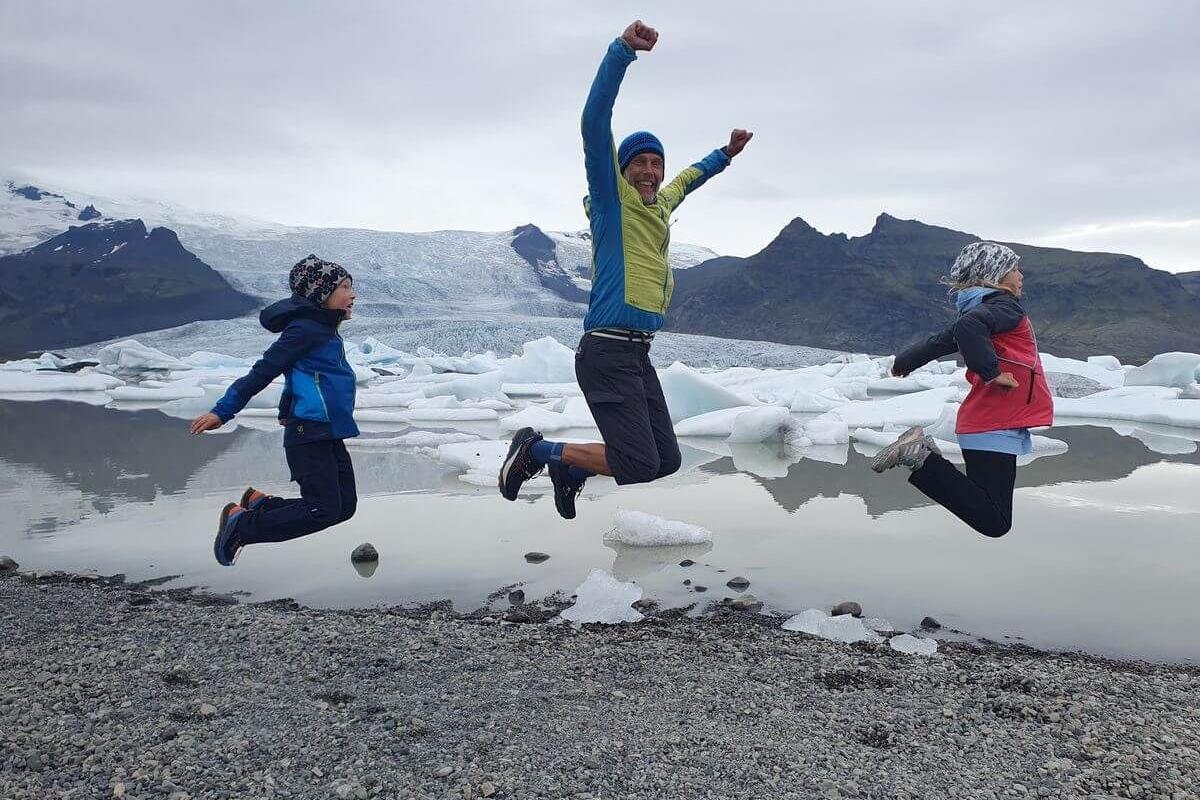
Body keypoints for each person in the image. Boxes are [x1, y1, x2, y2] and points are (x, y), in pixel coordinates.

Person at [498, 19, 753, 519]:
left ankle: (570, 469)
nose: (651, 171)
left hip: (638, 354)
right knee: (636, 464)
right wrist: (621, 52)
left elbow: (688, 179)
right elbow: (594, 122)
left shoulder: (659, 205)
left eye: (656, 163)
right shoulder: (614, 201)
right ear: (621, 169)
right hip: (606, 350)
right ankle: (539, 452)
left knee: (666, 460)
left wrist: (724, 155)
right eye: (640, 163)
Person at [871, 241, 1054, 537]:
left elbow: (940, 341)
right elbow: (969, 329)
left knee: (991, 514)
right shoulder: (1004, 308)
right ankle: (919, 455)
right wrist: (992, 373)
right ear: (995, 274)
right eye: (1014, 269)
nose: (1021, 275)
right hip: (996, 422)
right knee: (994, 521)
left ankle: (922, 456)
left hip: (989, 422)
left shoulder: (979, 312)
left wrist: (905, 361)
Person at [189, 255, 359, 565]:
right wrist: (223, 411)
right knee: (323, 509)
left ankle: (261, 506)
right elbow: (265, 370)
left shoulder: (324, 330)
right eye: (344, 287)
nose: (352, 294)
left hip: (327, 431)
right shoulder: (305, 330)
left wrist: (286, 406)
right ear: (320, 294)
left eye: (351, 286)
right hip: (310, 433)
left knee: (344, 507)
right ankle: (241, 525)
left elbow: (300, 373)